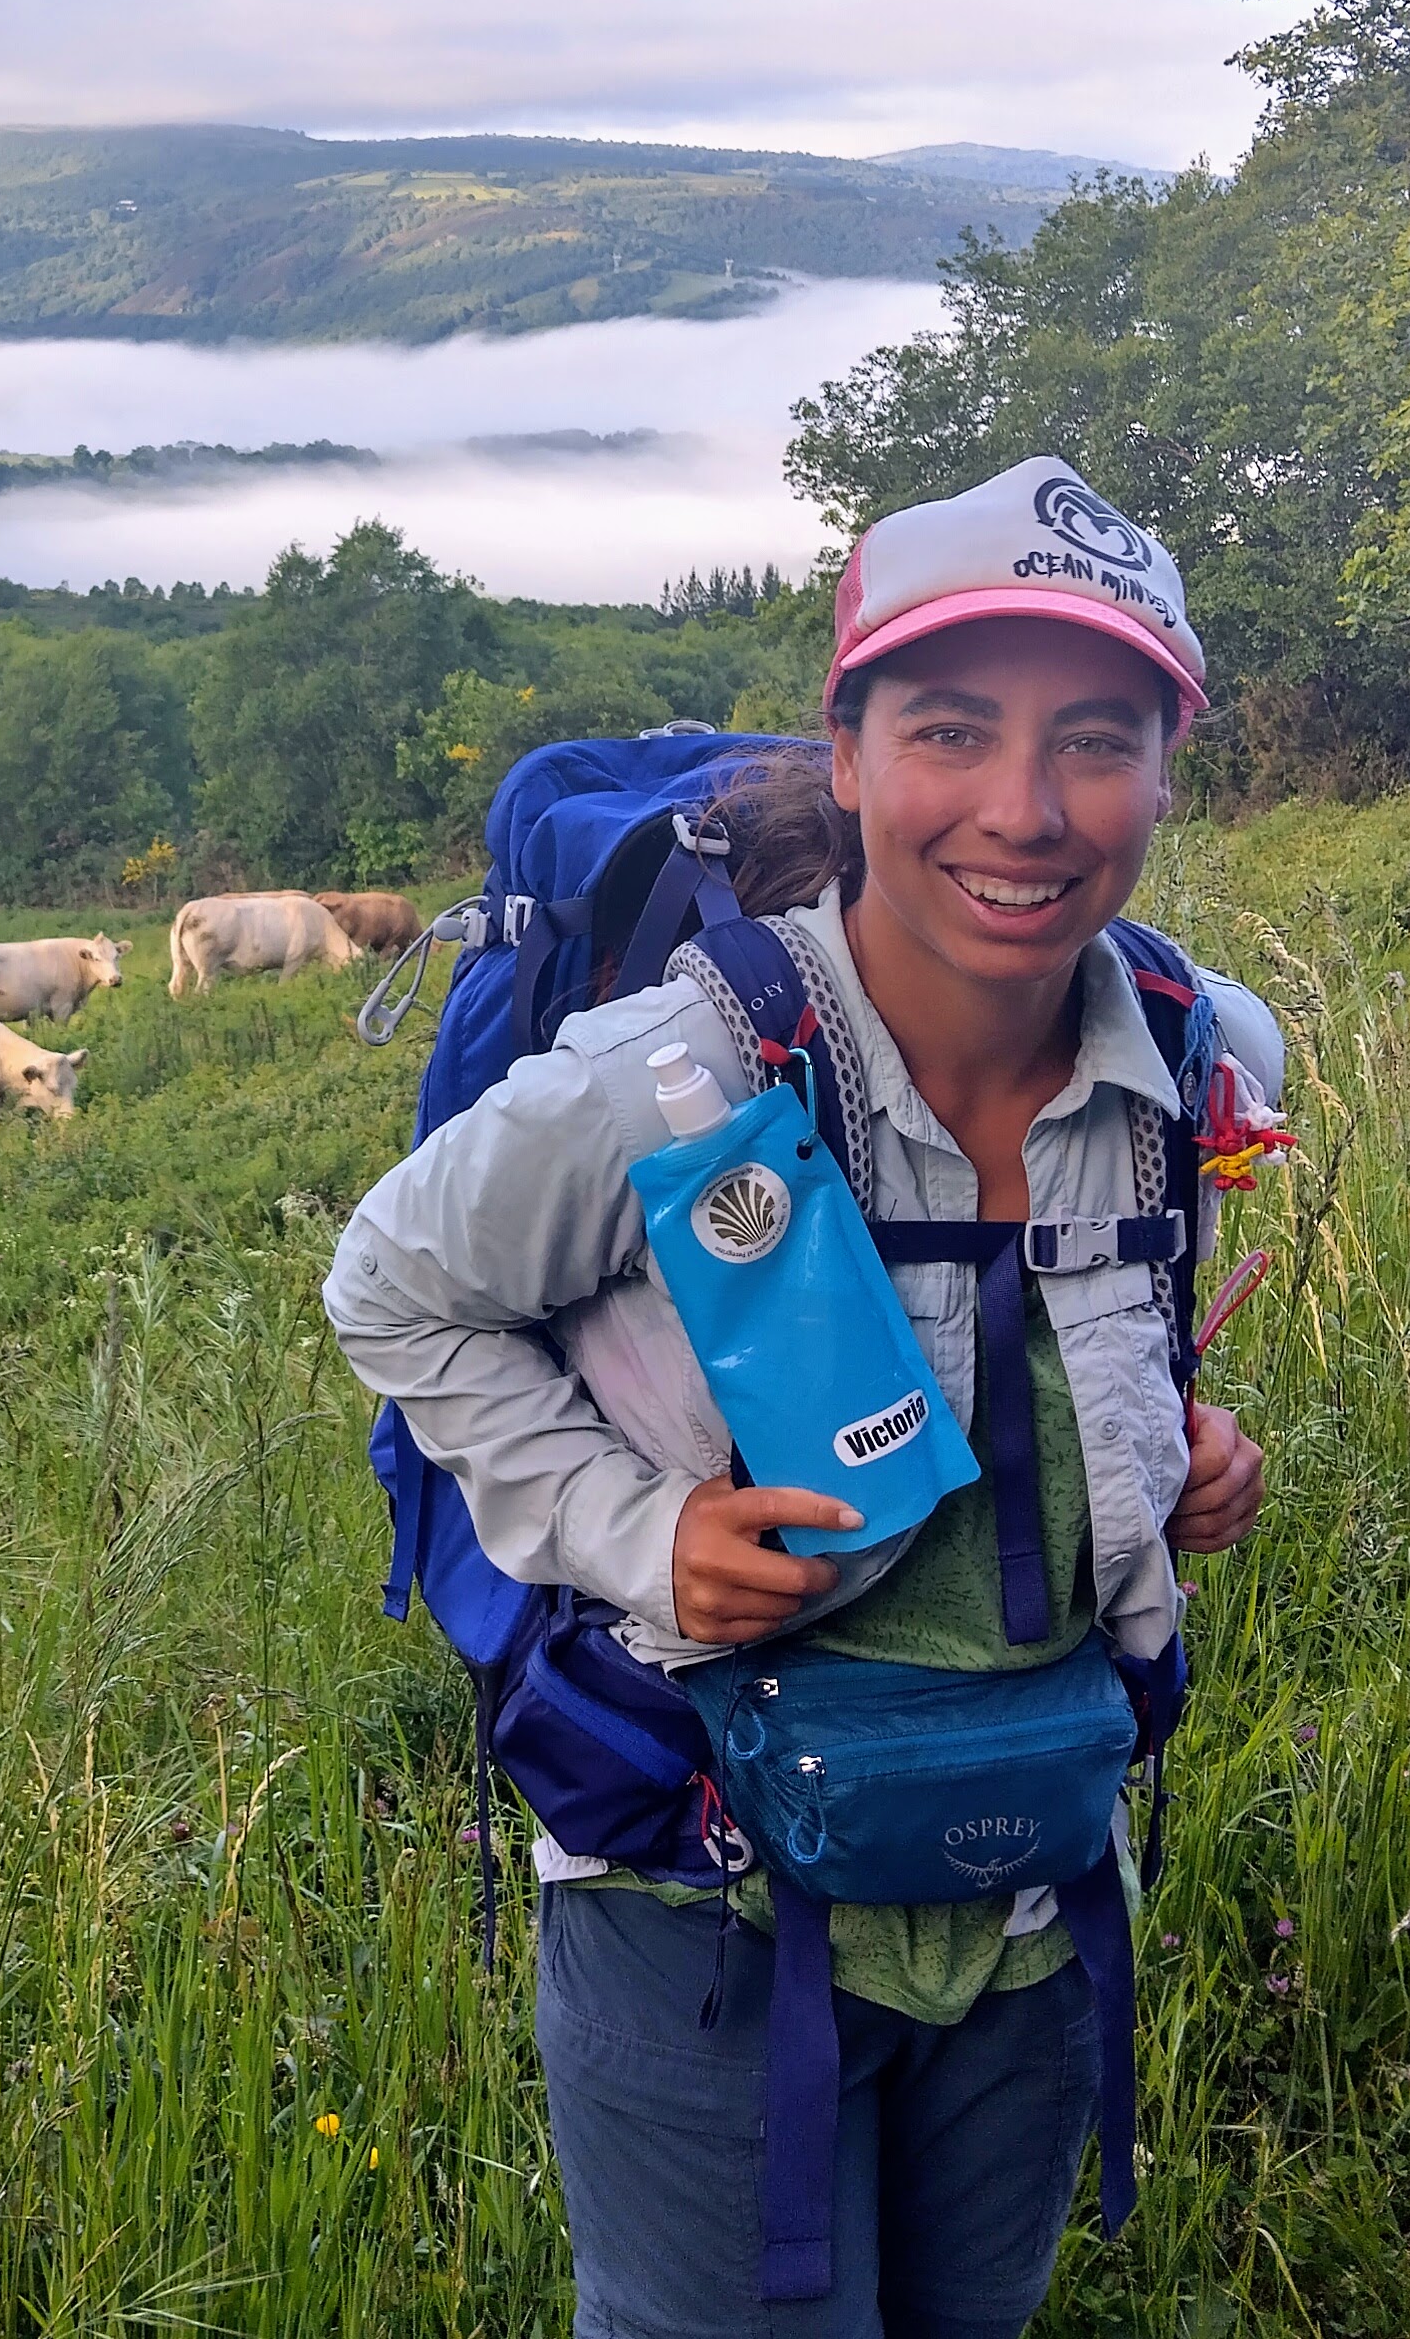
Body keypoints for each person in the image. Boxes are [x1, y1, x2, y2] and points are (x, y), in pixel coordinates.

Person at [324, 458, 1283, 2339]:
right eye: (951, 729)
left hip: (1032, 1895)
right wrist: (639, 1533)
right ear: (846, 756)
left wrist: (1175, 1453)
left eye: (1098, 740)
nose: (1025, 809)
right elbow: (394, 1285)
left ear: (1169, 772)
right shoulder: (675, 1079)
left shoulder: (1186, 1053)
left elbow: (1094, 1349)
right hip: (708, 1905)